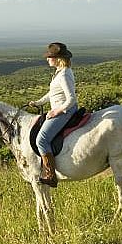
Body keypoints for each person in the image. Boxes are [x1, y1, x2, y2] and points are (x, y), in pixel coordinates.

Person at [28, 42, 77, 187]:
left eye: (50, 57)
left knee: (41, 139)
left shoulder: (64, 75)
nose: (47, 59)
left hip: (65, 111)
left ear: (57, 58)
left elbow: (71, 98)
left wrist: (56, 111)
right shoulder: (60, 72)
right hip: (62, 109)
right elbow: (52, 93)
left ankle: (50, 175)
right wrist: (39, 102)